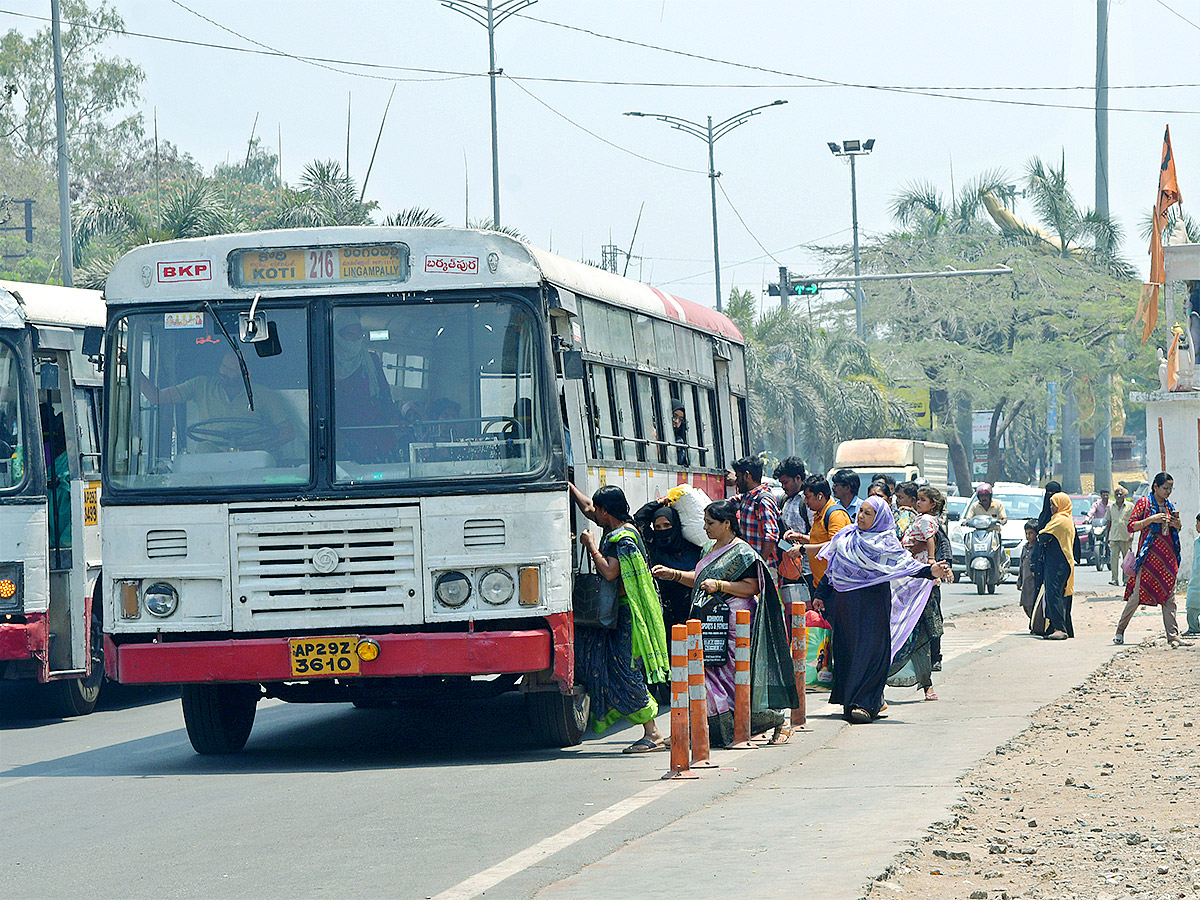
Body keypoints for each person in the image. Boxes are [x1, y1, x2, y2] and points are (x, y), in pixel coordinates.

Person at [650, 500, 798, 746]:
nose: (705, 527)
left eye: (710, 523)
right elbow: (700, 579)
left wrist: (720, 586)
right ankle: (702, 730)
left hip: (734, 624)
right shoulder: (709, 547)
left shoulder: (742, 552)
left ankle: (774, 720)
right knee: (703, 677)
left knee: (732, 681)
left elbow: (752, 587)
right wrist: (673, 574)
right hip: (709, 622)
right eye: (705, 522)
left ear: (726, 523)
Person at [813, 496, 952, 723]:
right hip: (846, 606)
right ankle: (852, 701)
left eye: (868, 514)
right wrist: (820, 594)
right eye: (861, 512)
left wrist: (931, 571)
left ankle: (864, 703)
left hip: (873, 605)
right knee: (847, 650)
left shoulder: (886, 542)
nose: (861, 517)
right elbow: (833, 568)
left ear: (880, 518)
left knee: (871, 651)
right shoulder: (846, 536)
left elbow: (905, 565)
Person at [570, 483, 669, 752]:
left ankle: (653, 732)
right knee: (607, 668)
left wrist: (591, 546)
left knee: (625, 671)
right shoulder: (620, 526)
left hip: (626, 613)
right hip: (616, 614)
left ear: (606, 512)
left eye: (599, 511)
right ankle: (651, 730)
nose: (595, 514)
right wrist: (569, 487)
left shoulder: (621, 538)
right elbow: (589, 508)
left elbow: (610, 572)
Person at [140, 347, 294, 454]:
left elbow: (287, 432)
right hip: (210, 461)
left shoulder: (263, 394)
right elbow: (156, 397)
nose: (223, 371)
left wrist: (257, 448)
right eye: (223, 365)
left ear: (247, 373)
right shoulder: (200, 385)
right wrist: (131, 365)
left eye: (231, 369)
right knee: (205, 448)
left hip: (252, 460)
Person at [1113, 472, 1186, 648]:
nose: (1168, 492)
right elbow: (1132, 525)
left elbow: (1178, 528)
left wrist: (1176, 524)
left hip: (1167, 560)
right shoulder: (1144, 504)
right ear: (1155, 487)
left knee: (1169, 598)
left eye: (1170, 488)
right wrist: (1151, 519)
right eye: (1165, 488)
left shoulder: (1169, 506)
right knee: (1136, 597)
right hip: (1148, 560)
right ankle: (1120, 631)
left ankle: (1173, 636)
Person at [333, 315, 399, 462]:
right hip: (345, 433)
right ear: (338, 335)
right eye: (351, 335)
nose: (356, 340)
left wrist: (394, 418)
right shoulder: (326, 361)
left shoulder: (371, 360)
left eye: (359, 335)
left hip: (377, 428)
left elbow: (384, 394)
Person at [636, 502, 701, 633]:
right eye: (657, 527)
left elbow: (699, 577)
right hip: (662, 611)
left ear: (675, 525)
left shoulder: (692, 549)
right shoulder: (654, 544)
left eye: (667, 525)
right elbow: (639, 518)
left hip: (688, 611)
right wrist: (659, 502)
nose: (662, 531)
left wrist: (673, 574)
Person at [786, 474, 852, 587]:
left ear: (820, 496)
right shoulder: (820, 514)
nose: (805, 501)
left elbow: (834, 546)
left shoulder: (835, 515)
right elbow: (818, 541)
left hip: (834, 585)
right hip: (821, 583)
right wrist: (799, 537)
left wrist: (802, 549)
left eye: (808, 497)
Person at [1036, 492, 1076, 640]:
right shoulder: (1067, 519)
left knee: (1054, 594)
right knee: (1061, 594)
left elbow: (1042, 536)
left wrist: (1043, 537)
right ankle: (1062, 627)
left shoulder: (1059, 520)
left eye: (1054, 504)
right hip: (1062, 561)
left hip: (1058, 562)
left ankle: (1060, 628)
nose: (1051, 507)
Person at [728, 456, 780, 567]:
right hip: (751, 563)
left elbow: (771, 536)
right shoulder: (747, 497)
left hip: (765, 567)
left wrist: (761, 563)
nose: (736, 481)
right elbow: (729, 503)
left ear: (747, 475)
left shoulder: (763, 501)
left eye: (738, 476)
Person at [775, 457, 813, 594]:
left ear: (798, 478)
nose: (783, 486)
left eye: (785, 482)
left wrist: (800, 543)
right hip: (789, 570)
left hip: (808, 572)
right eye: (781, 483)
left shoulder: (808, 503)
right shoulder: (785, 499)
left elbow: (819, 538)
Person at [1105, 486, 1133, 586]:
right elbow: (1108, 522)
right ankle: (1114, 579)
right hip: (1114, 537)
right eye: (1116, 494)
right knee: (1114, 559)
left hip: (1126, 537)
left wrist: (1132, 534)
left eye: (1121, 494)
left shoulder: (1130, 506)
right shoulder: (1111, 507)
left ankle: (1126, 580)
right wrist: (1107, 537)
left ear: (1124, 495)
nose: (1119, 496)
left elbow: (1133, 522)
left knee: (1126, 560)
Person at [1016, 519, 1040, 618]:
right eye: (1026, 533)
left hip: (1034, 582)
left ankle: (1034, 624)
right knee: (1025, 604)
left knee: (1033, 604)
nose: (1028, 536)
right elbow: (1021, 566)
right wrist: (1019, 581)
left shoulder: (1038, 548)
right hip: (1026, 581)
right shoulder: (1025, 548)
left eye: (1031, 533)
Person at [1186, 513, 1200, 637]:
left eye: (1197, 523)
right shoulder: (1197, 541)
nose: (1196, 526)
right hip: (1196, 580)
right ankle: (1194, 628)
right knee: (1191, 604)